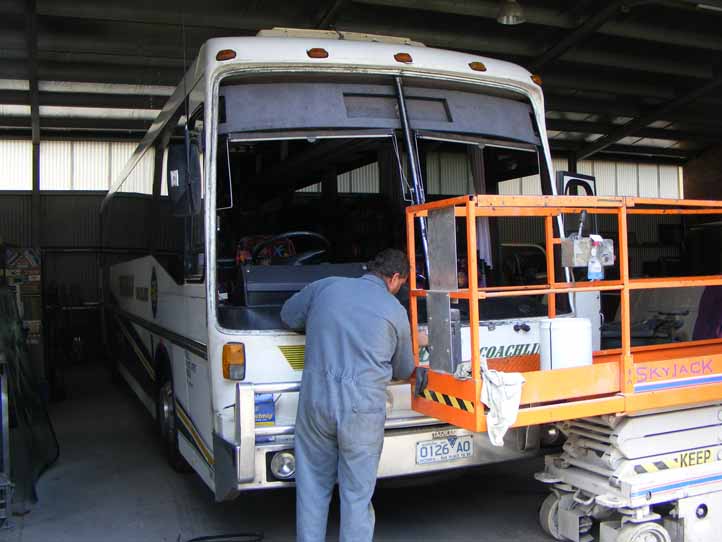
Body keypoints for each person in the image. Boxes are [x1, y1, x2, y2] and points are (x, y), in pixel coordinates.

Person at [281, 248, 422, 542]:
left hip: (316, 403)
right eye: (402, 284)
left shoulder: (326, 286)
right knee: (356, 496)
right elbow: (405, 367)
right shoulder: (394, 310)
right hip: (362, 410)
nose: (399, 290)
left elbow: (288, 315)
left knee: (312, 489)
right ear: (395, 278)